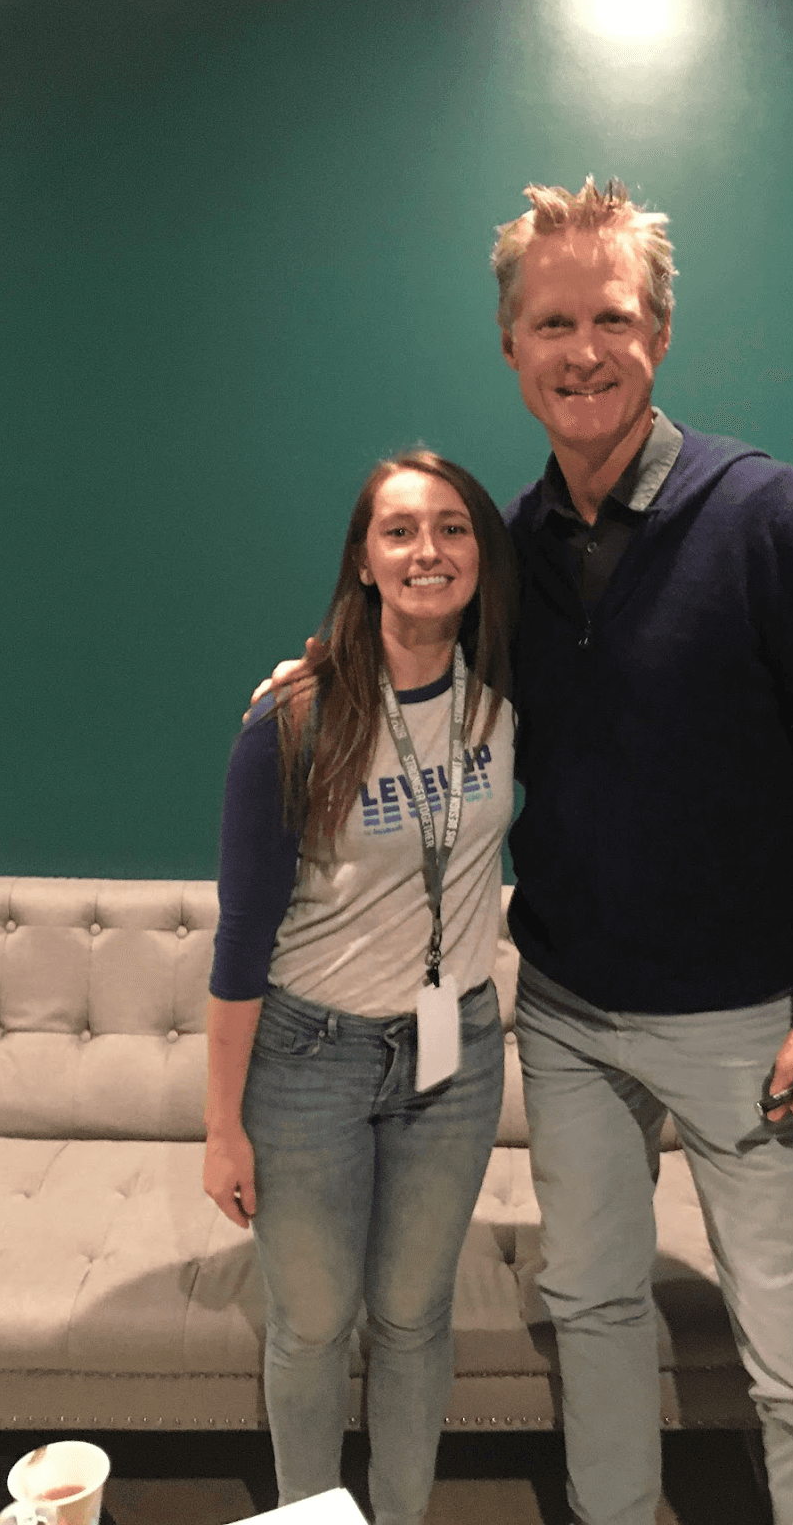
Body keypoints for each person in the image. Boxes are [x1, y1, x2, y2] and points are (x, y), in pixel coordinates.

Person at [256, 178, 793, 1525]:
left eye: (611, 317)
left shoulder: (766, 515)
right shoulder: (510, 547)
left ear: (658, 331)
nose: (583, 351)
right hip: (563, 1014)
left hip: (743, 1026)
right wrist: (318, 676)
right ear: (511, 347)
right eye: (552, 323)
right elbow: (419, 651)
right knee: (594, 1308)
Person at [205, 448, 518, 1525]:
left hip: (454, 1050)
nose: (428, 549)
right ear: (364, 560)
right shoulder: (293, 717)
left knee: (415, 1317)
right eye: (399, 530)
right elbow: (241, 940)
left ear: (480, 554)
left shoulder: (507, 699)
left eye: (452, 527)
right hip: (310, 1059)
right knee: (313, 1323)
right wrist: (221, 1127)